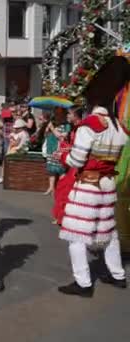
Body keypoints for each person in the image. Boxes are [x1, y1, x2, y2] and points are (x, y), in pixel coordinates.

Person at [58, 106, 128, 297]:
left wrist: (63, 155)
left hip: (88, 185)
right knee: (108, 232)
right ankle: (118, 275)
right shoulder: (119, 127)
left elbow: (77, 161)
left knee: (76, 235)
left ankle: (83, 283)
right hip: (107, 183)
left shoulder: (90, 125)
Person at [52, 106, 84, 225]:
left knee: (66, 190)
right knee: (62, 187)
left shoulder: (82, 129)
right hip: (71, 163)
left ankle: (65, 218)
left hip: (78, 165)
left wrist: (66, 150)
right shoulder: (74, 128)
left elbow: (80, 149)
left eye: (69, 114)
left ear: (76, 116)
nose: (67, 116)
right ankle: (62, 217)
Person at [42, 108, 71, 195]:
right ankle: (51, 188)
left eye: (59, 114)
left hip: (59, 149)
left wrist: (52, 128)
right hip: (51, 148)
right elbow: (45, 135)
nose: (57, 116)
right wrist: (47, 129)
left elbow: (62, 137)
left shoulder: (67, 125)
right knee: (51, 169)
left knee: (60, 169)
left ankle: (60, 188)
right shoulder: (52, 123)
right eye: (56, 113)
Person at [0, 119, 30, 184]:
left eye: (17, 128)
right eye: (15, 128)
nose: (16, 129)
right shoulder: (22, 133)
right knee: (5, 161)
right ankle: (3, 177)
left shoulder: (22, 134)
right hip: (17, 149)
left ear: (21, 128)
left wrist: (12, 139)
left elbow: (16, 143)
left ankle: (3, 177)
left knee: (5, 161)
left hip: (18, 150)